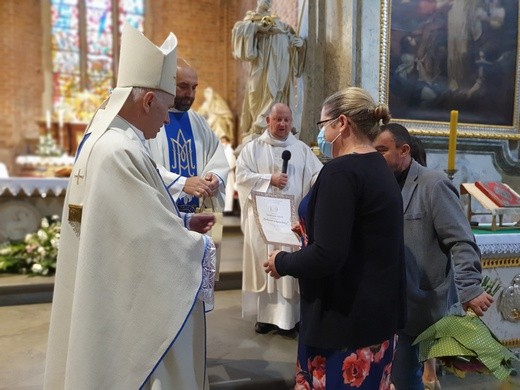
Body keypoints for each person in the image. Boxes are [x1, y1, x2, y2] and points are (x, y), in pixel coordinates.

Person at [44, 24, 217, 389]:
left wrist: (182, 220)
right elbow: (144, 239)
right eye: (167, 108)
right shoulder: (118, 150)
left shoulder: (107, 139)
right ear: (148, 101)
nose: (169, 119)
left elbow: (128, 216)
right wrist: (199, 247)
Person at [264, 87, 406, 389]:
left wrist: (282, 261)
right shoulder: (379, 167)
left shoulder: (341, 172)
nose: (322, 134)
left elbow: (328, 255)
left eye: (322, 125)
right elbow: (363, 235)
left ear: (342, 123)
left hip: (343, 324)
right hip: (376, 317)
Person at [373, 123, 494, 390]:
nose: (375, 157)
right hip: (383, 302)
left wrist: (470, 288)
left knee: (404, 380)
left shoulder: (433, 184)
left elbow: (461, 240)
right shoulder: (378, 184)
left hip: (419, 304)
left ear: (404, 150)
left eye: (381, 151)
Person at [235, 102, 322, 334]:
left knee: (290, 266)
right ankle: (265, 317)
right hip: (263, 220)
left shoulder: (301, 149)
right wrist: (268, 179)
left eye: (287, 120)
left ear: (291, 123)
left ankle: (291, 319)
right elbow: (241, 177)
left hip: (291, 221)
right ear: (268, 121)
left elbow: (317, 176)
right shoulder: (253, 149)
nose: (283, 124)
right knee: (265, 263)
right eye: (278, 119)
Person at [148, 59, 229, 213]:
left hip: (196, 215)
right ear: (167, 83)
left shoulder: (198, 122)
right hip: (162, 214)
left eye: (194, 88)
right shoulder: (150, 119)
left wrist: (214, 177)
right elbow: (144, 165)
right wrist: (181, 183)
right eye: (183, 87)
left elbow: (217, 156)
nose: (190, 94)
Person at [232, 0, 306, 137]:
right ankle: (260, 125)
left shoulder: (280, 24)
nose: (266, 1)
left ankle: (276, 125)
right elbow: (240, 35)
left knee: (279, 91)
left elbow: (293, 41)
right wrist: (256, 28)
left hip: (281, 61)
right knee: (257, 92)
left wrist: (299, 45)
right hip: (262, 64)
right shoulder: (251, 19)